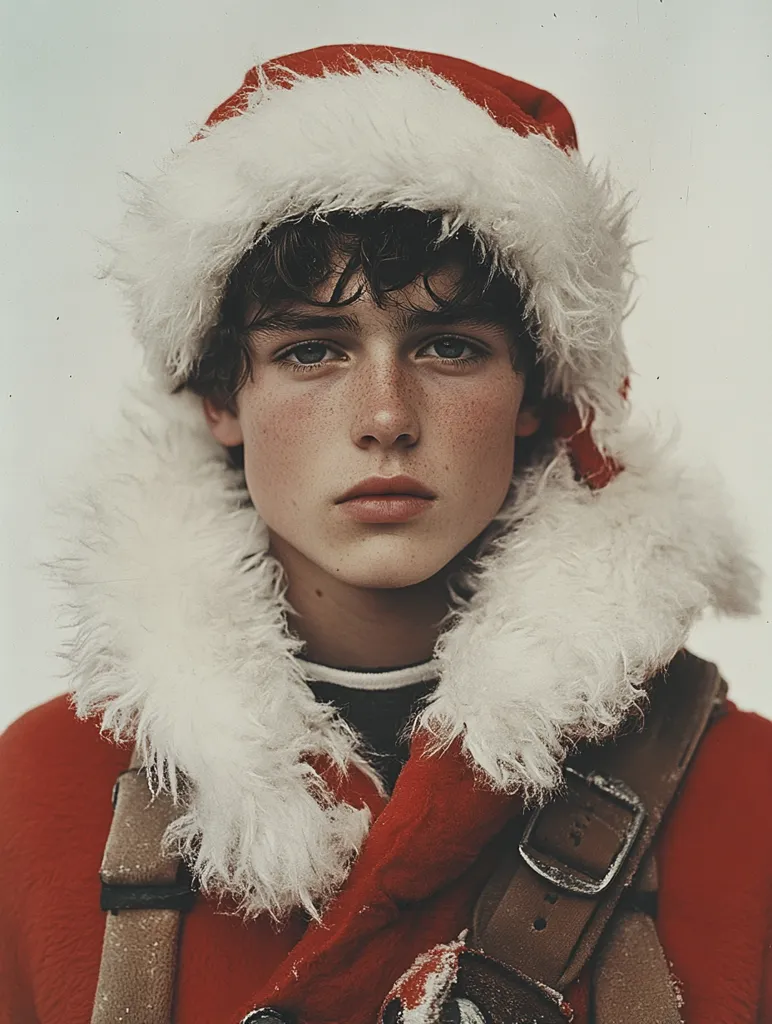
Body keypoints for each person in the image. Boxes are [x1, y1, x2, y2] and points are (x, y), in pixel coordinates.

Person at [1, 43, 770, 1024]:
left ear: (533, 395)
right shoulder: (38, 795)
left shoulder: (743, 801)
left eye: (448, 347)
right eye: (312, 349)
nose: (384, 416)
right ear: (219, 395)